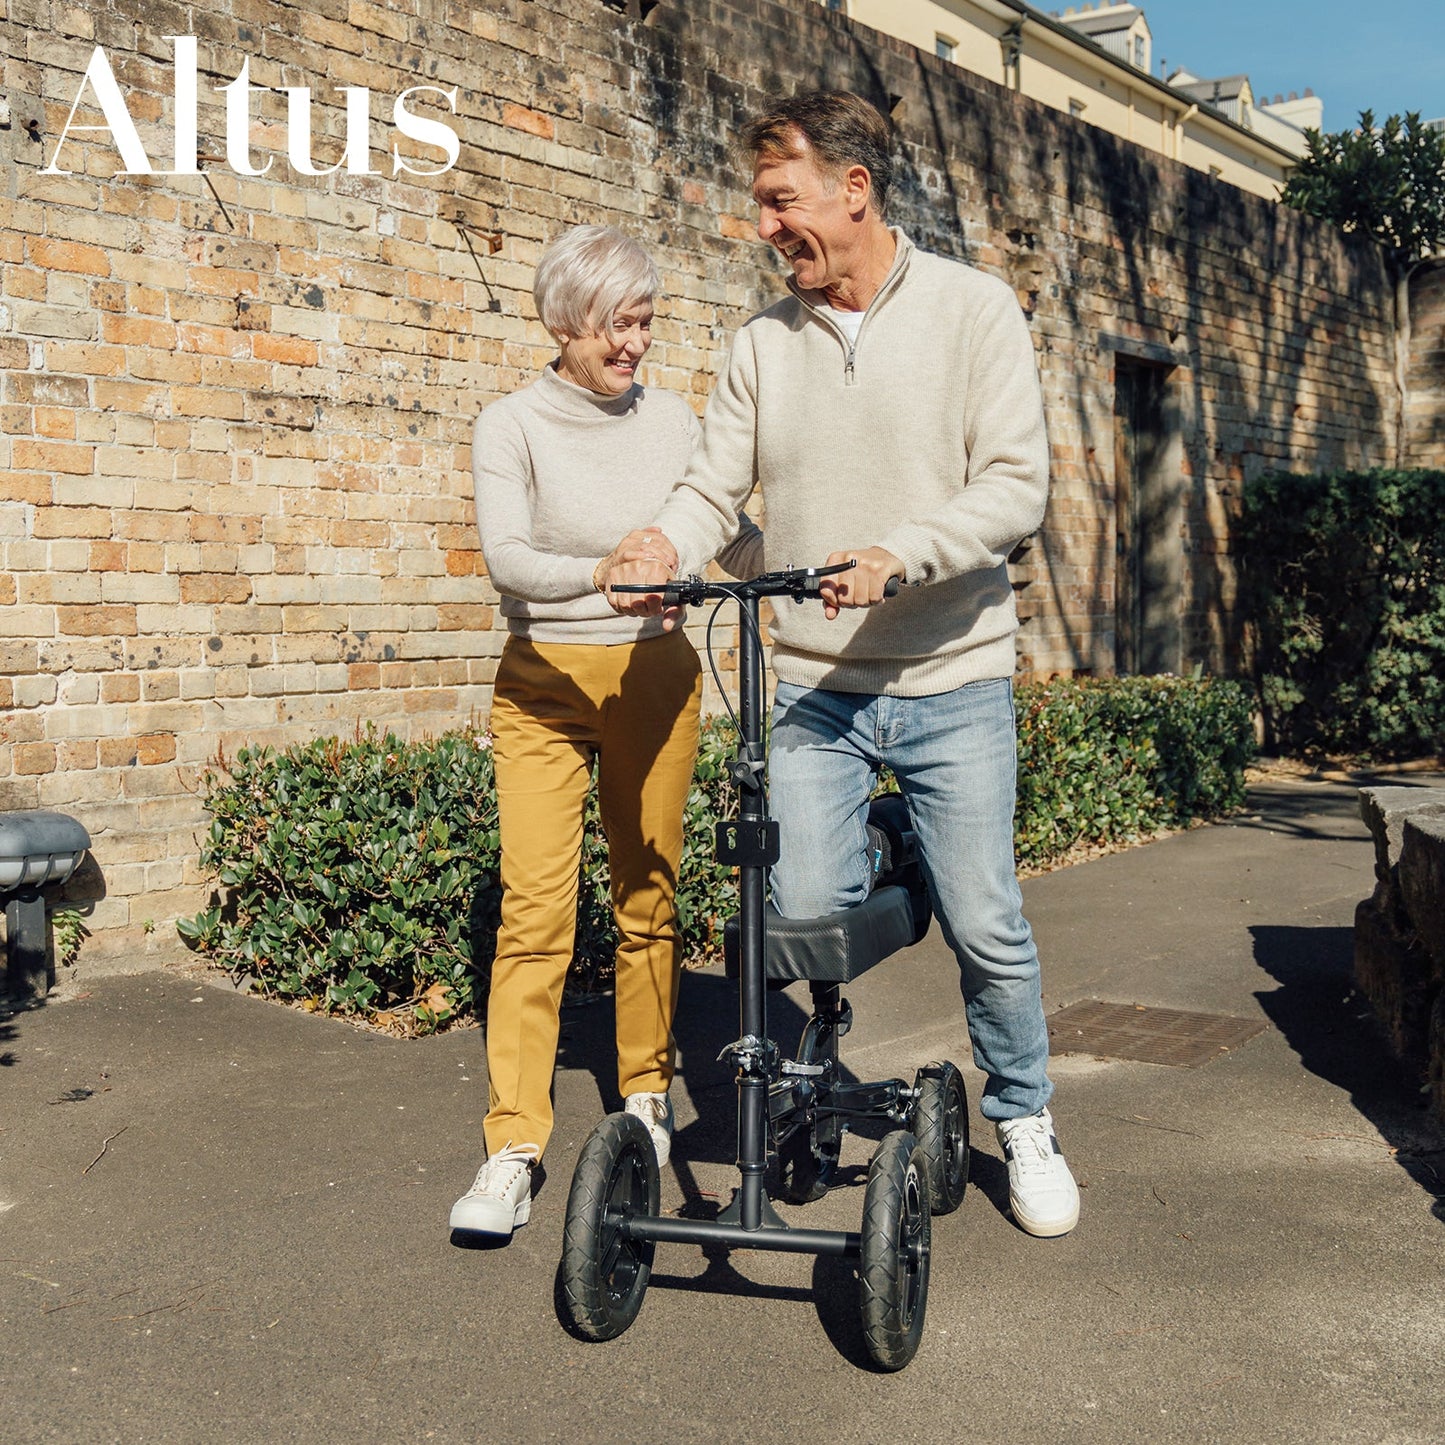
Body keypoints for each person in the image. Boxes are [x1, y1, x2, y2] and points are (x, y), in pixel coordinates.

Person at [603, 92, 1079, 1238]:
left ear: (851, 189)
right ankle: (887, 846)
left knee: (984, 921)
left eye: (781, 200)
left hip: (949, 675)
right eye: (762, 204)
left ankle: (1023, 1117)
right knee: (804, 910)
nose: (765, 225)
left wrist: (901, 553)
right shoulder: (761, 343)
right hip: (815, 685)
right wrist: (663, 540)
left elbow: (1014, 485)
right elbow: (714, 481)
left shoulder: (971, 312)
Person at [451, 225, 762, 1239]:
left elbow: (726, 527)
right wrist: (602, 573)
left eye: (642, 323)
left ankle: (643, 1094)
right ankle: (512, 1146)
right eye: (614, 325)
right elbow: (508, 559)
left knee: (648, 898)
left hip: (655, 683)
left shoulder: (673, 420)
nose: (632, 344)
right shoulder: (511, 425)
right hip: (541, 686)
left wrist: (797, 555)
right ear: (561, 322)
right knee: (535, 915)